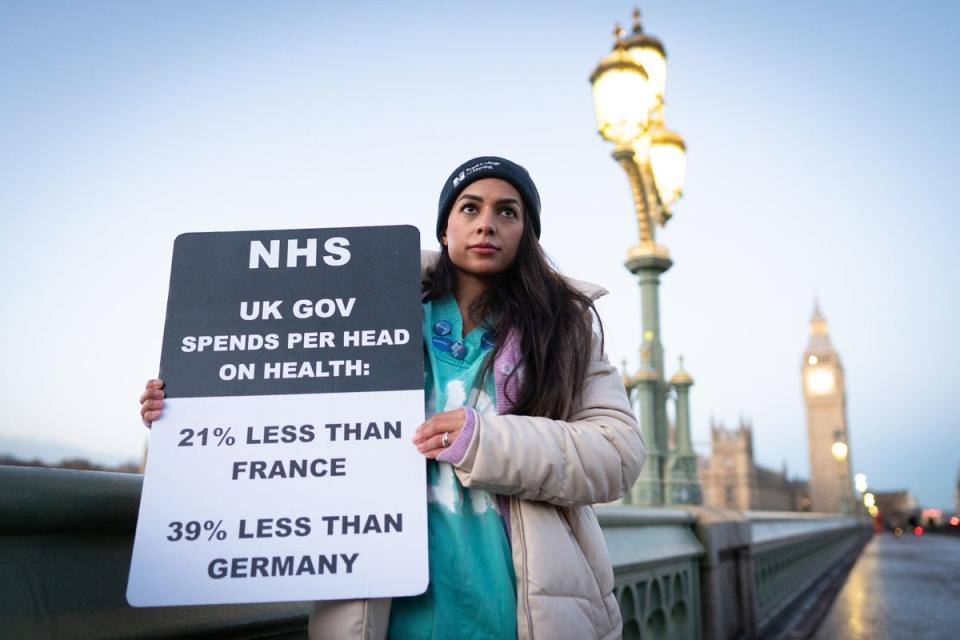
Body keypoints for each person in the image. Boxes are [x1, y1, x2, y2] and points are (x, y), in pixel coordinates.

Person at [139, 156, 645, 639]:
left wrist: (485, 440)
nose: (485, 224)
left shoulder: (565, 330)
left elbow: (617, 453)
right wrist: (188, 412)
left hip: (525, 613)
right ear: (445, 229)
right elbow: (283, 419)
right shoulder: (361, 313)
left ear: (526, 235)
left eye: (506, 212)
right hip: (382, 612)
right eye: (469, 208)